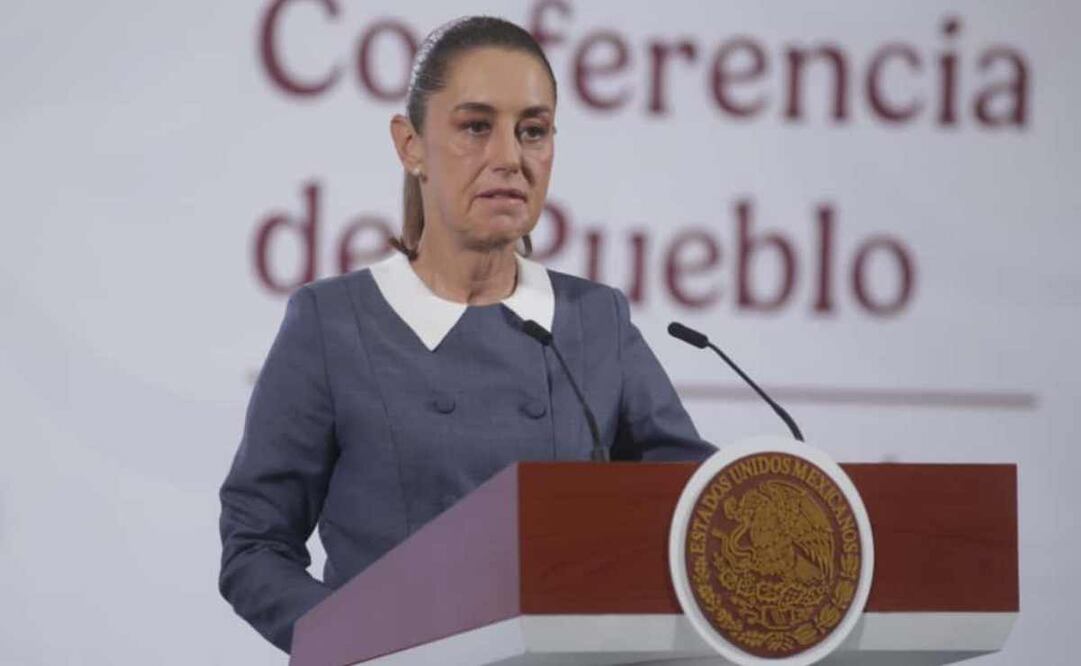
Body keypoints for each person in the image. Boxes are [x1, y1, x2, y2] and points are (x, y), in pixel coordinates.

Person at [218, 15, 714, 654]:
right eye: (476, 127)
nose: (509, 157)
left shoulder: (594, 322)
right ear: (411, 144)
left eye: (532, 131)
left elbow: (696, 508)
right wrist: (357, 642)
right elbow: (255, 545)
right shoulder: (333, 323)